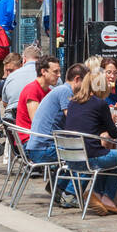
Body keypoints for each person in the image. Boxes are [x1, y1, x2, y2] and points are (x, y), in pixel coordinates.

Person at [61, 68, 117, 215]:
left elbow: (88, 126)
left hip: (70, 158)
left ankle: (97, 195)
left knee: (110, 157)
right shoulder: (100, 104)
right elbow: (113, 133)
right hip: (90, 158)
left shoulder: (73, 103)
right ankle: (105, 196)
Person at [25, 62, 87, 208]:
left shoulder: (60, 90)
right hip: (43, 149)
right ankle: (69, 194)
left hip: (38, 146)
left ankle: (58, 186)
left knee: (77, 151)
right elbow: (73, 120)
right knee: (85, 155)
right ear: (77, 79)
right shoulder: (66, 92)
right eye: (87, 82)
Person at [14, 56, 60, 143]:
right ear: (43, 72)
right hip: (30, 141)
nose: (59, 75)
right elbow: (37, 122)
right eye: (55, 72)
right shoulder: (32, 90)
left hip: (41, 139)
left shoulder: (49, 91)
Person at [2, 44, 41, 120]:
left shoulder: (11, 77)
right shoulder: (51, 75)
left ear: (24, 60)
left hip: (14, 121)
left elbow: (5, 104)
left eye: (10, 70)